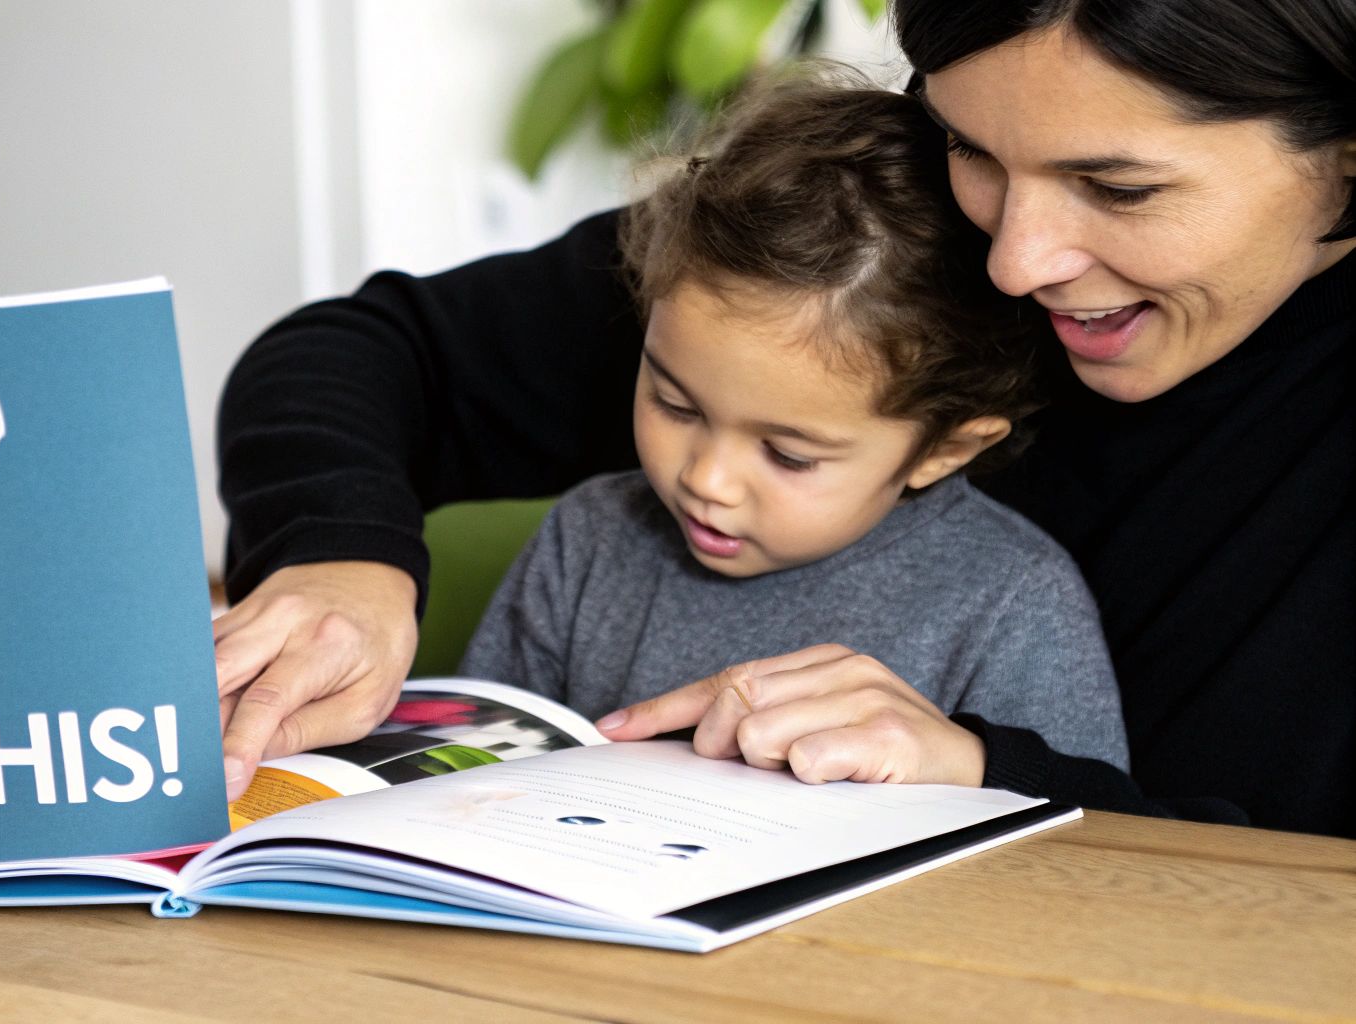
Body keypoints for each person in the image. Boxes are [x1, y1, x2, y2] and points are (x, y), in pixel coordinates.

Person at [213, 0, 1356, 838]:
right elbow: (363, 355)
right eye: (971, 147)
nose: (1011, 262)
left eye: (1119, 190)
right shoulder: (875, 241)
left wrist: (979, 762)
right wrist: (336, 553)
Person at [456, 77, 1127, 781]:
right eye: (675, 404)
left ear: (945, 448)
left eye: (788, 454)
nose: (705, 480)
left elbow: (1078, 857)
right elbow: (467, 776)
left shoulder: (1012, 603)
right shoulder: (587, 542)